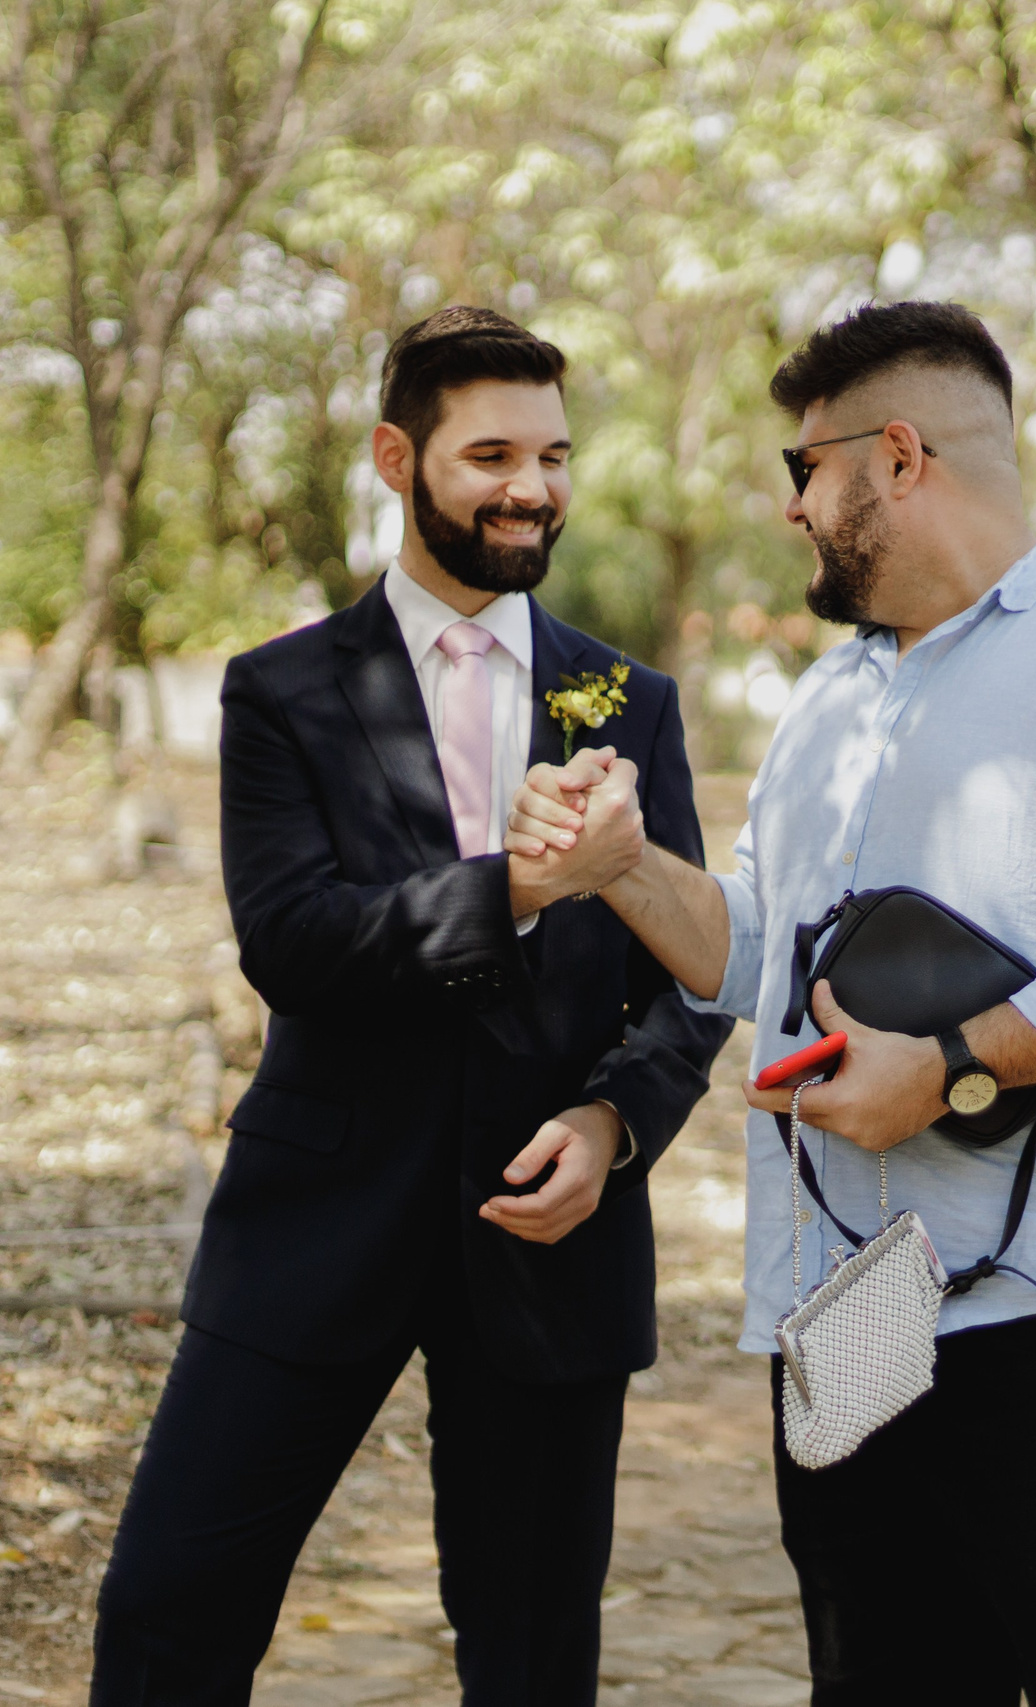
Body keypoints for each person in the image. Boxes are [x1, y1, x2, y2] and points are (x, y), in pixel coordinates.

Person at [506, 299, 1036, 1705]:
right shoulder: (829, 703)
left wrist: (952, 1068)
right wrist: (622, 868)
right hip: (846, 1322)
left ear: (900, 458)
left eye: (807, 469)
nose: (793, 507)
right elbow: (756, 952)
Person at [91, 307, 733, 1706]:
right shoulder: (282, 693)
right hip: (316, 1220)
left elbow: (694, 978)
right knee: (165, 1617)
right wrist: (522, 887)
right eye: (492, 455)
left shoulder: (630, 700)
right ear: (398, 458)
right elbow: (293, 945)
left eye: (553, 457)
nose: (532, 489)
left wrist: (616, 1126)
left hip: (549, 1239)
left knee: (533, 1659)